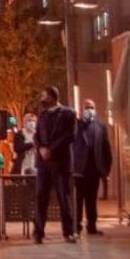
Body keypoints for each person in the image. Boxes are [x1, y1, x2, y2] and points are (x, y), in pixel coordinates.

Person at [33, 86, 77, 244]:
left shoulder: (68, 113)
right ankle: (38, 233)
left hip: (60, 163)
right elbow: (36, 135)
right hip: (43, 164)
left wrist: (51, 149)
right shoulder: (43, 115)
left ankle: (68, 232)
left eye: (44, 96)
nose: (42, 99)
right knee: (41, 198)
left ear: (51, 97)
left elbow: (70, 135)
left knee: (64, 198)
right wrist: (40, 148)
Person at [72, 100, 112, 236]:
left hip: (94, 170)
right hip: (78, 170)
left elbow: (106, 149)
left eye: (92, 107)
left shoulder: (101, 127)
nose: (90, 110)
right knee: (77, 200)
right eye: (87, 108)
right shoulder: (75, 126)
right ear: (81, 109)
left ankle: (92, 226)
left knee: (91, 200)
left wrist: (106, 169)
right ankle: (76, 226)